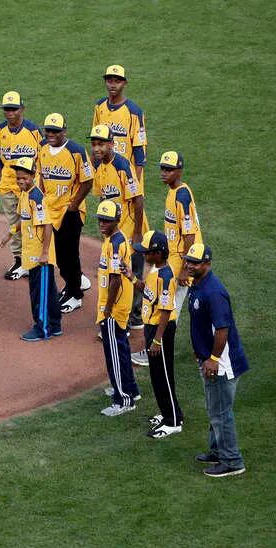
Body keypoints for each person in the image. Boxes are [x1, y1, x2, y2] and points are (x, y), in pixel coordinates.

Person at [184, 244, 249, 477]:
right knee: (215, 409)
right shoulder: (197, 284)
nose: (190, 265)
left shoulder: (214, 291)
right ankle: (217, 450)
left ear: (207, 263)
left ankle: (232, 461)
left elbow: (223, 328)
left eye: (195, 262)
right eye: (188, 260)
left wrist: (212, 358)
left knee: (221, 412)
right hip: (209, 359)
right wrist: (200, 351)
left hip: (222, 364)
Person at [89, 124, 149, 365]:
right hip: (116, 232)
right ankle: (131, 318)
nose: (97, 148)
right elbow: (104, 198)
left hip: (129, 233)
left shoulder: (123, 166)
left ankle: (124, 323)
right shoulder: (100, 168)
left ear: (112, 143)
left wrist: (135, 233)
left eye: (101, 143)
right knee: (122, 276)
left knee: (126, 277)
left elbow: (138, 198)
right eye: (94, 144)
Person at [127, 231, 183, 438]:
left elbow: (166, 311)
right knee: (157, 375)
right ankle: (169, 412)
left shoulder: (166, 277)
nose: (144, 254)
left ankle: (173, 421)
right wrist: (131, 278)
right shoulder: (155, 271)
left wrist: (157, 340)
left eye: (147, 251)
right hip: (153, 327)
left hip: (162, 329)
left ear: (158, 253)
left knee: (164, 375)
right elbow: (148, 293)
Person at [0, 157, 61, 341]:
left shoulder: (36, 197)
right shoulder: (25, 195)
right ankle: (55, 325)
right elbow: (23, 219)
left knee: (39, 292)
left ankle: (42, 328)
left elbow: (48, 225)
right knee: (48, 291)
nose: (21, 181)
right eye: (18, 178)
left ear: (33, 176)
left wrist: (44, 253)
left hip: (39, 257)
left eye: (24, 178)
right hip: (32, 254)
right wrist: (10, 233)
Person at [37, 114, 93, 313]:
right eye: (48, 130)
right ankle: (72, 285)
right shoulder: (42, 148)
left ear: (64, 131)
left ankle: (76, 295)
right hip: (51, 210)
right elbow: (41, 176)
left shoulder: (76, 151)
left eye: (55, 131)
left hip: (70, 213)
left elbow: (88, 181)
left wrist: (73, 205)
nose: (51, 134)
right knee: (59, 256)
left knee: (69, 255)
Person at [0, 91, 42, 280]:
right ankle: (19, 260)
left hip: (28, 187)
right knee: (14, 222)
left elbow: (42, 157)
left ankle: (32, 259)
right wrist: (0, 177)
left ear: (22, 109)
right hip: (7, 186)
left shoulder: (33, 131)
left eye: (13, 109)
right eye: (7, 109)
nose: (10, 113)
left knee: (29, 222)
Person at [94, 201, 139, 417]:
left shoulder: (115, 244)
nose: (102, 224)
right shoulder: (115, 239)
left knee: (114, 353)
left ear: (116, 221)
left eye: (107, 221)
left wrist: (108, 309)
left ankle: (123, 399)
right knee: (121, 348)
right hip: (119, 305)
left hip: (114, 307)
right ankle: (130, 388)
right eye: (100, 219)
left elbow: (115, 280)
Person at [158, 151, 203, 315]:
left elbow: (189, 235)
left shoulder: (182, 196)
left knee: (169, 310)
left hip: (182, 258)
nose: (163, 173)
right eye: (162, 168)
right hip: (175, 256)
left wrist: (185, 267)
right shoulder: (173, 190)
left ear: (179, 171)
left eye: (168, 169)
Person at [92, 65, 147, 184]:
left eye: (117, 81)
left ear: (125, 83)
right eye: (109, 81)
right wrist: (95, 171)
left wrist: (134, 184)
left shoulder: (134, 111)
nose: (113, 85)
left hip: (127, 175)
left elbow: (140, 152)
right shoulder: (99, 106)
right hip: (106, 174)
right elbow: (95, 142)